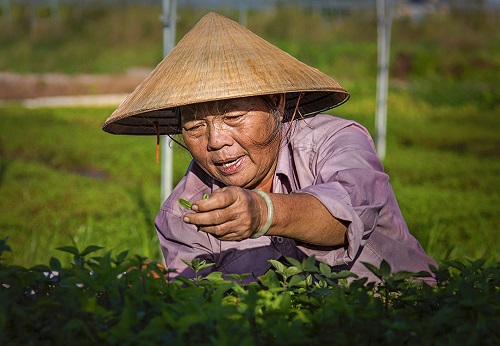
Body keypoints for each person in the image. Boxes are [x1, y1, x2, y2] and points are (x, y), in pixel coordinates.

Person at [103, 12, 437, 284]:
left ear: (276, 102)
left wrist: (263, 213)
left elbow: (346, 217)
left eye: (233, 116)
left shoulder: (336, 142)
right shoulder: (183, 214)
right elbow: (202, 307)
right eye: (194, 126)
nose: (216, 141)